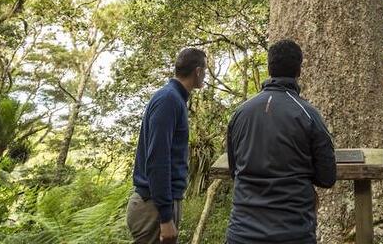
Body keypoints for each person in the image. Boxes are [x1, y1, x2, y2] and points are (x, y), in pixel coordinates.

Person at [225, 39, 337, 244]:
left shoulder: (240, 114)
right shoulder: (308, 114)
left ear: (269, 68)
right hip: (293, 232)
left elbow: (235, 171)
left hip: (242, 233)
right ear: (299, 71)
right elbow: (327, 176)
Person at [127, 47, 207, 244]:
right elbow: (157, 159)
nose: (206, 74)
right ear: (197, 71)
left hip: (159, 204)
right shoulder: (168, 99)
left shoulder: (174, 99)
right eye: (205, 69)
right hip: (152, 207)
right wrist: (165, 216)